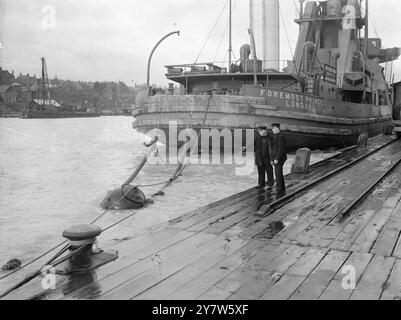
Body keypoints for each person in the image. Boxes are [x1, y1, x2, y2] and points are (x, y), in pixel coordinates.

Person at [269, 123, 287, 193]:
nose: (272, 130)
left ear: (277, 128)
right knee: (278, 173)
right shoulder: (273, 136)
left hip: (280, 158)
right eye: (272, 128)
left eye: (273, 128)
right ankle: (281, 188)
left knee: (278, 173)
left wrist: (277, 158)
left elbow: (281, 149)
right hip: (275, 157)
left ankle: (280, 189)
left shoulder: (281, 137)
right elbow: (271, 149)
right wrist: (271, 159)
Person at [254, 125, 274, 190]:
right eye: (259, 131)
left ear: (264, 131)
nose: (259, 132)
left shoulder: (270, 137)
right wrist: (244, 148)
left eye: (260, 131)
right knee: (260, 171)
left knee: (269, 171)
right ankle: (261, 184)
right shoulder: (257, 137)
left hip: (267, 158)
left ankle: (270, 184)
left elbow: (272, 149)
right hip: (259, 157)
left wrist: (272, 158)